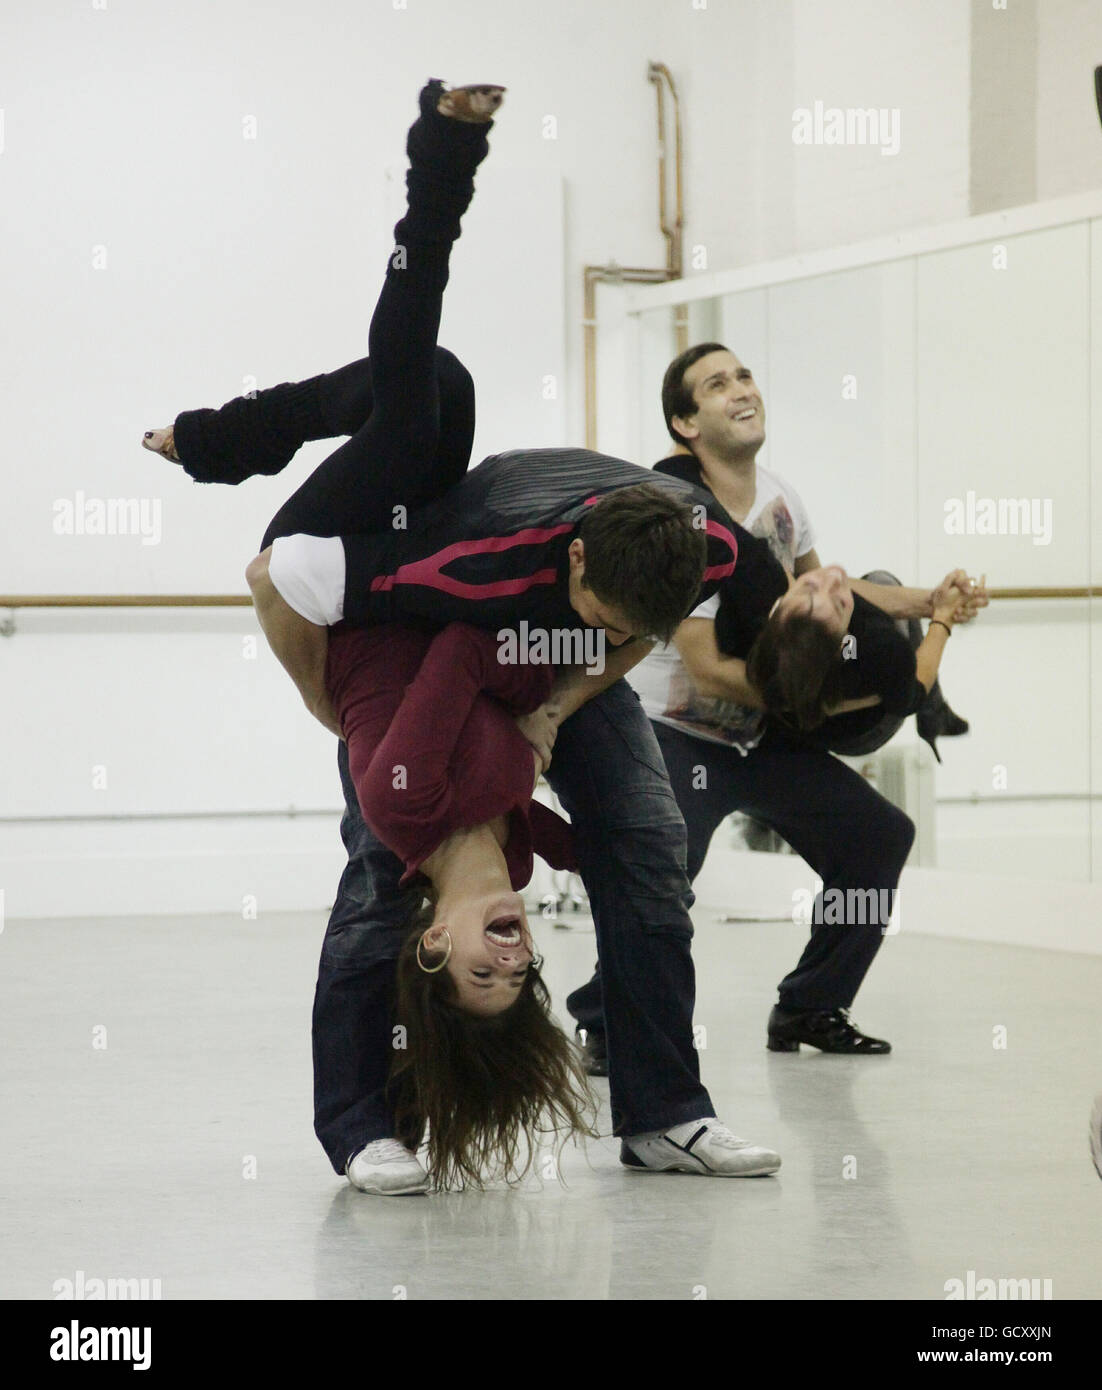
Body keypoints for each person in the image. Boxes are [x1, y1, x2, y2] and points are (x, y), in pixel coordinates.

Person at [143, 78, 780, 1191]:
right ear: (573, 567)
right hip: (380, 582)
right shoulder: (459, 568)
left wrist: (561, 696)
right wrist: (331, 708)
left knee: (644, 838)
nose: (514, 943)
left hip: (529, 673)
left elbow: (633, 633)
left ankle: (661, 1110)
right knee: (424, 384)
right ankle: (360, 1120)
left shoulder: (700, 549)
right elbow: (280, 581)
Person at [567, 344, 988, 1069]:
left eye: (745, 376)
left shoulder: (780, 501)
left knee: (877, 837)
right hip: (676, 732)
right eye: (716, 385)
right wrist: (820, 704)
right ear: (685, 423)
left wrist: (932, 601)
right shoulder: (681, 517)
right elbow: (711, 671)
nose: (740, 391)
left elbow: (830, 585)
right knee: (664, 865)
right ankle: (605, 1019)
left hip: (762, 738)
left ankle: (811, 1006)